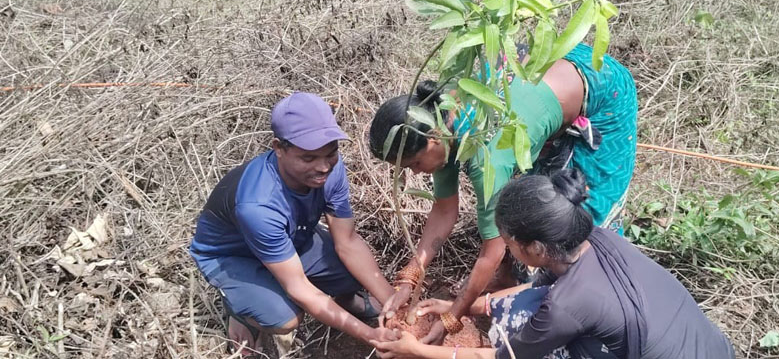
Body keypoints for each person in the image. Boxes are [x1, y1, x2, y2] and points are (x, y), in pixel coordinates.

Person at [369, 43, 638, 342]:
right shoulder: (439, 119)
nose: (415, 173)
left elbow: (492, 250)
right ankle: (509, 279)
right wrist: (410, 278)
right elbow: (444, 210)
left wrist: (453, 316)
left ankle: (596, 299)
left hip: (602, 88)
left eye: (414, 164)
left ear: (433, 137)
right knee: (530, 193)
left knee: (573, 215)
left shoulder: (488, 158)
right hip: (537, 89)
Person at [370, 169, 736, 359]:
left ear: (535, 248)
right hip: (710, 347)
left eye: (509, 244)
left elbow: (502, 357)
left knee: (521, 331)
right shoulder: (595, 240)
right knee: (528, 305)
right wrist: (460, 307)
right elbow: (535, 289)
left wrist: (417, 351)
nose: (507, 252)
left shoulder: (567, 305)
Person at [190, 92, 397, 357]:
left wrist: (393, 302)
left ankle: (347, 301)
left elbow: (348, 242)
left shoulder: (331, 169)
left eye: (331, 153)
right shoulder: (258, 205)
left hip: (291, 238)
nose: (323, 167)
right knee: (285, 317)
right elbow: (298, 288)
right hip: (233, 256)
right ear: (278, 148)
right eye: (308, 158)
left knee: (352, 270)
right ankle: (240, 310)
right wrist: (370, 335)